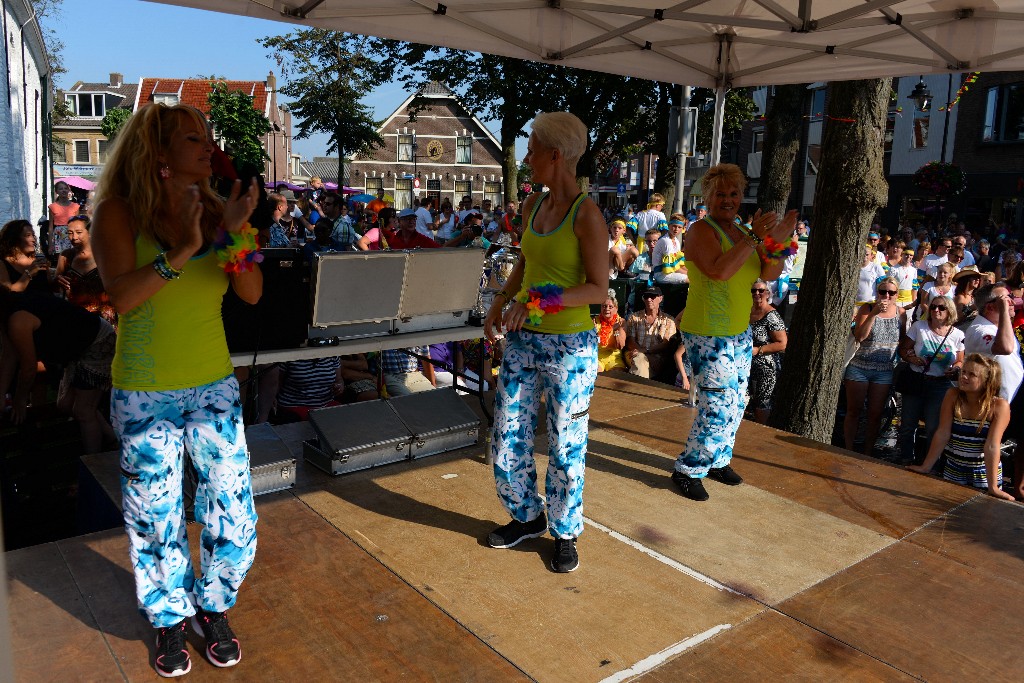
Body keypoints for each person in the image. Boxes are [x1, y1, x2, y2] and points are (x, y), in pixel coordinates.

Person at [91, 103, 261, 677]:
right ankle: (167, 618)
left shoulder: (221, 210)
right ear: (159, 154)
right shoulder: (120, 212)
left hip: (212, 384)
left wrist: (233, 233)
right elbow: (120, 298)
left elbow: (254, 294)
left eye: (208, 137)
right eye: (193, 138)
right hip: (144, 391)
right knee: (155, 514)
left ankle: (211, 608)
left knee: (232, 510)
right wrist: (184, 250)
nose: (207, 146)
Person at [483, 112, 605, 573]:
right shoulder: (535, 205)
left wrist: (536, 303)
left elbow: (598, 290)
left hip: (570, 349)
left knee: (565, 443)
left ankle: (566, 530)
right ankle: (527, 517)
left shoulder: (587, 214)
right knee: (507, 436)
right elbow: (525, 264)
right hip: (522, 343)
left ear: (556, 156)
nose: (525, 157)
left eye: (531, 149)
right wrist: (503, 298)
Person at [672, 163, 797, 501]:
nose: (727, 200)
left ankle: (717, 459)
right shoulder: (701, 230)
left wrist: (779, 240)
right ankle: (689, 468)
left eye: (733, 193)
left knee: (737, 401)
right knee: (717, 405)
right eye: (720, 194)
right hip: (707, 333)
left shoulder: (743, 229)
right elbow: (718, 271)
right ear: (707, 198)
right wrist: (754, 236)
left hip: (739, 333)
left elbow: (768, 272)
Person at [0, 287, 116, 452]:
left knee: (83, 411)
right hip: (76, 348)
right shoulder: (8, 315)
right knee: (64, 404)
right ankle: (112, 437)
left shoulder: (18, 319)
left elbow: (28, 368)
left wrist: (20, 400)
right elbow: (8, 356)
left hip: (98, 341)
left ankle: (94, 464)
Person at [907, 354, 1013, 500]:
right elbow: (943, 432)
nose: (964, 377)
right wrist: (926, 466)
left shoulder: (999, 406)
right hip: (953, 468)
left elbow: (992, 446)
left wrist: (993, 486)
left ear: (986, 381)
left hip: (983, 473)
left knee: (980, 515)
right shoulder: (952, 395)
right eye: (963, 372)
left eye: (972, 374)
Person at [896, 295, 964, 464]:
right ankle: (906, 458)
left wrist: (955, 368)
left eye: (941, 308)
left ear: (950, 311)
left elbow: (960, 360)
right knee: (907, 424)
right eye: (933, 307)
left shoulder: (957, 334)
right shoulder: (919, 327)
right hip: (916, 380)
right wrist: (911, 359)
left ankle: (929, 462)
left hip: (940, 384)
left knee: (934, 427)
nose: (935, 310)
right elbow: (903, 349)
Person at [845, 275, 907, 456]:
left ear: (897, 294)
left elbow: (902, 340)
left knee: (875, 414)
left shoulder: (901, 313)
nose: (886, 296)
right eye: (883, 292)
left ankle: (867, 451)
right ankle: (848, 449)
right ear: (877, 292)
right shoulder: (867, 308)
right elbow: (860, 337)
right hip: (859, 367)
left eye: (891, 293)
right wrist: (873, 314)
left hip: (884, 370)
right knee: (854, 410)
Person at [963, 283, 1023, 402]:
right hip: (995, 403)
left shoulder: (999, 326)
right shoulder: (978, 330)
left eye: (1010, 296)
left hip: (1012, 397)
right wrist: (1004, 311)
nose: (1012, 302)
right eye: (1005, 299)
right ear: (990, 307)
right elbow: (1005, 348)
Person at [55, 215, 116, 327]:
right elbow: (55, 285)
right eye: (70, 233)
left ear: (90, 232)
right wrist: (58, 280)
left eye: (79, 232)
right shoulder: (66, 256)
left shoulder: (105, 254)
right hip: (77, 317)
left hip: (104, 319)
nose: (74, 237)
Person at [748, 279, 787, 424]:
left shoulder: (772, 315)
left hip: (766, 367)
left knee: (762, 404)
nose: (757, 293)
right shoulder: (747, 310)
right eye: (753, 290)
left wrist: (758, 350)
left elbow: (782, 344)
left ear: (768, 293)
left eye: (760, 290)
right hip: (746, 364)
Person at [624, 286, 677, 380]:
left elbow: (666, 344)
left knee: (640, 363)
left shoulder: (669, 320)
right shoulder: (634, 317)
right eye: (646, 296)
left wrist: (645, 351)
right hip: (635, 354)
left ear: (661, 298)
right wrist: (641, 351)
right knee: (639, 359)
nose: (649, 299)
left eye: (652, 296)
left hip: (657, 358)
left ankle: (636, 387)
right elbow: (629, 340)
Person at [0, 219, 52, 294]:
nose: (33, 239)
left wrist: (57, 282)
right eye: (28, 235)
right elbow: (8, 293)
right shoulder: (3, 264)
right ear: (15, 239)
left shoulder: (38, 261)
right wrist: (29, 273)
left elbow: (50, 287)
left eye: (33, 235)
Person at [593, 289, 627, 372]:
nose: (607, 309)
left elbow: (620, 346)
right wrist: (593, 334)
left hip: (614, 358)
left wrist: (616, 330)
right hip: (598, 357)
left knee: (617, 375)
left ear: (616, 308)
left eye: (610, 307)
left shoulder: (621, 322)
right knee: (594, 372)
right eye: (604, 306)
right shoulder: (594, 321)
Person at [47, 180, 82, 257]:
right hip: (59, 235)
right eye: (61, 189)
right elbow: (50, 227)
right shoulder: (53, 207)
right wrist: (50, 244)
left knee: (73, 258)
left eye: (65, 188)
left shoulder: (75, 206)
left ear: (68, 190)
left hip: (72, 234)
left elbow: (78, 225)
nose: (63, 190)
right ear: (56, 191)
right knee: (61, 258)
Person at [651, 214, 688, 284]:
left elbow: (679, 263)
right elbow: (671, 266)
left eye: (679, 227)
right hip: (662, 274)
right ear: (669, 225)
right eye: (674, 226)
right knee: (692, 279)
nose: (676, 229)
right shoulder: (666, 241)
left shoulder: (676, 241)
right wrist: (689, 274)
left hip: (671, 271)